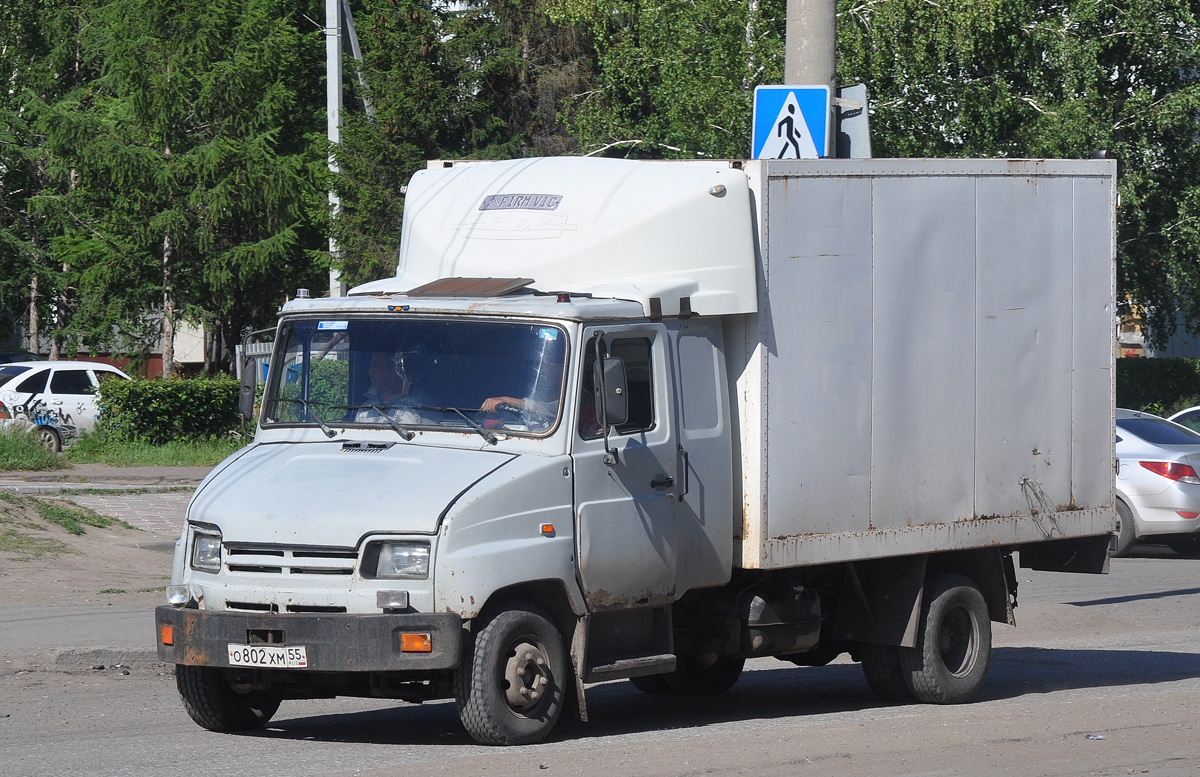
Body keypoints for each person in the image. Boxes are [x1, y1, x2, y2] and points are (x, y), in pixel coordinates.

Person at [356, 348, 432, 423]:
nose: (370, 371)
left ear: (393, 371)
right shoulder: (366, 408)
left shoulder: (420, 404)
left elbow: (437, 432)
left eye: (376, 366)